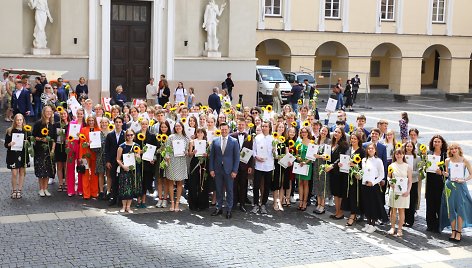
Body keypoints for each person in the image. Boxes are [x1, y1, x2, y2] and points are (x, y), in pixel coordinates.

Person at [440, 143, 472, 242]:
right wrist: (444, 173)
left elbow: (471, 174)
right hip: (450, 186)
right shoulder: (447, 160)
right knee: (451, 210)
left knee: (460, 209)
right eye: (452, 149)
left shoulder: (464, 160)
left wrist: (464, 180)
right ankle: (453, 231)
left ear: (459, 149)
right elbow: (447, 174)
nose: (454, 150)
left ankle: (459, 232)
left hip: (460, 187)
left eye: (455, 148)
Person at [209, 123, 239, 219]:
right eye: (222, 129)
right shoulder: (215, 141)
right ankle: (219, 208)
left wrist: (235, 170)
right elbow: (212, 156)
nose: (224, 131)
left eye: (225, 129)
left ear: (229, 129)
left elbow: (237, 157)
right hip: (218, 170)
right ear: (220, 130)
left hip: (229, 170)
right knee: (218, 190)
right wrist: (211, 169)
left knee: (229, 190)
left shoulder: (234, 141)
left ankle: (229, 209)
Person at [387, 149, 412, 237]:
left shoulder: (407, 167)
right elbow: (388, 177)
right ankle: (392, 227)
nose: (399, 156)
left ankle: (400, 228)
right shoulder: (391, 165)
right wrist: (390, 182)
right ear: (394, 155)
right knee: (393, 210)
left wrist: (408, 191)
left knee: (401, 210)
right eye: (397, 154)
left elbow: (410, 181)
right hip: (394, 191)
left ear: (403, 155)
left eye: (400, 154)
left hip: (403, 192)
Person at [325, 127, 349, 219]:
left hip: (339, 172)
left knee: (339, 193)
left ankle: (340, 212)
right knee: (335, 192)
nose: (336, 133)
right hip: (332, 172)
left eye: (338, 132)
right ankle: (337, 211)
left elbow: (341, 158)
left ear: (342, 134)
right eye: (335, 131)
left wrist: (332, 166)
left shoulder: (344, 145)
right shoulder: (332, 143)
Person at [164, 122, 189, 212]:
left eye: (179, 126)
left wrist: (186, 152)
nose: (178, 127)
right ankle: (172, 202)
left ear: (182, 127)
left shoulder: (186, 139)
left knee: (179, 183)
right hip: (172, 160)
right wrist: (166, 156)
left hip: (181, 161)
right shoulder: (171, 137)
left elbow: (187, 151)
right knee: (170, 181)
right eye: (176, 126)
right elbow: (167, 148)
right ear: (174, 128)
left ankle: (177, 202)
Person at [342, 133, 366, 226]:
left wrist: (355, 165)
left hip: (356, 178)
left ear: (359, 140)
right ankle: (352, 212)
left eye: (355, 139)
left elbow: (363, 165)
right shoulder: (348, 149)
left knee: (354, 196)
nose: (353, 140)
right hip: (347, 176)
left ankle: (353, 215)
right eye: (352, 138)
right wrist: (341, 164)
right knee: (349, 195)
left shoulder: (362, 151)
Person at [426, 135, 448, 233]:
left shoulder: (445, 155)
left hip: (440, 181)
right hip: (430, 181)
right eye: (435, 141)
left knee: (439, 203)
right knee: (430, 203)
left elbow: (448, 172)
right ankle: (430, 224)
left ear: (442, 143)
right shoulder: (428, 153)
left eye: (438, 141)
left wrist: (442, 173)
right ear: (432, 143)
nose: (436, 143)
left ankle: (438, 225)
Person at [230, 119, 253, 212]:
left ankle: (242, 204)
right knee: (234, 185)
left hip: (244, 165)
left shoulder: (249, 137)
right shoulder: (232, 136)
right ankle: (234, 203)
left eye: (242, 124)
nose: (240, 126)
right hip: (234, 165)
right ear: (236, 125)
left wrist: (250, 166)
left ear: (245, 125)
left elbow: (251, 152)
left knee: (244, 185)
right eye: (239, 124)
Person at [361, 143, 385, 234]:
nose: (370, 150)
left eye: (372, 148)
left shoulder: (378, 161)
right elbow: (363, 172)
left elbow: (381, 175)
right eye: (369, 148)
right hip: (365, 185)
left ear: (375, 150)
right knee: (366, 204)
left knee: (373, 205)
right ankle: (368, 222)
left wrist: (374, 183)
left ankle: (373, 224)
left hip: (373, 186)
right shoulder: (364, 160)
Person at [116, 129, 142, 213]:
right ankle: (123, 206)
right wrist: (123, 166)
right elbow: (118, 159)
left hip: (134, 170)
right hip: (125, 169)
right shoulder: (121, 146)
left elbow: (139, 160)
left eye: (131, 135)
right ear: (125, 136)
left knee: (131, 188)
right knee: (124, 188)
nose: (130, 136)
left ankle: (128, 206)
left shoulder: (137, 146)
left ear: (134, 135)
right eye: (128, 135)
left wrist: (138, 156)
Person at [252, 121, 275, 214]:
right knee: (256, 185)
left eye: (266, 126)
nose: (264, 128)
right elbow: (254, 151)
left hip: (269, 166)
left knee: (266, 186)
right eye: (263, 126)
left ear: (269, 128)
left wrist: (274, 151)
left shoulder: (273, 139)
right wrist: (256, 157)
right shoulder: (257, 138)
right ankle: (256, 204)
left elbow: (275, 153)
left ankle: (263, 204)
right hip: (258, 166)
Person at [4, 114, 30, 199]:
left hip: (23, 154)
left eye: (20, 120)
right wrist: (9, 144)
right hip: (13, 154)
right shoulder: (10, 131)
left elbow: (30, 143)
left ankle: (19, 190)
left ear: (23, 120)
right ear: (14, 121)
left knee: (22, 172)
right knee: (14, 173)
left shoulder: (26, 131)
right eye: (17, 120)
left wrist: (27, 142)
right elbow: (5, 144)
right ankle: (14, 190)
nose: (19, 121)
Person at [33, 106, 56, 197]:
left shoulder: (52, 124)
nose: (49, 113)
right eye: (47, 111)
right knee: (41, 170)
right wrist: (41, 139)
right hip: (40, 150)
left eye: (50, 112)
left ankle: (46, 188)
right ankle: (41, 189)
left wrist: (53, 150)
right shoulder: (38, 123)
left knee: (47, 170)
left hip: (49, 150)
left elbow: (54, 138)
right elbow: (33, 136)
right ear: (43, 112)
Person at [135, 118, 157, 208]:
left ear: (148, 125)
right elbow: (134, 146)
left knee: (145, 181)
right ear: (140, 124)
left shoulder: (152, 135)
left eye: (146, 124)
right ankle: (138, 200)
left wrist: (153, 158)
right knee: (139, 180)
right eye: (142, 124)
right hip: (139, 161)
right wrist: (138, 152)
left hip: (148, 162)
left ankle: (143, 200)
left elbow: (155, 148)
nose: (144, 126)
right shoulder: (136, 134)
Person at [188, 128, 210, 211]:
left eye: (202, 133)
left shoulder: (207, 143)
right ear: (196, 133)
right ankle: (193, 204)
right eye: (198, 132)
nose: (200, 134)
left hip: (203, 163)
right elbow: (189, 154)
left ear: (204, 134)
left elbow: (209, 155)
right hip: (194, 163)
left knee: (202, 183)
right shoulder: (192, 142)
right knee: (193, 184)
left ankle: (202, 204)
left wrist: (206, 155)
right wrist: (193, 152)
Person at [105, 116, 125, 205]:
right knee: (114, 179)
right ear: (114, 123)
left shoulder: (125, 134)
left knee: (122, 179)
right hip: (113, 161)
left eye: (119, 122)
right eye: (116, 122)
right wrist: (108, 161)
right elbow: (107, 149)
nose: (118, 123)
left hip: (122, 161)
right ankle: (114, 197)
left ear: (122, 123)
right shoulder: (110, 135)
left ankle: (121, 198)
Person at [79, 115, 100, 200]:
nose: (91, 122)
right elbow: (81, 144)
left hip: (95, 154)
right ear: (87, 121)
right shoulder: (83, 130)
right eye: (89, 120)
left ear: (94, 121)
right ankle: (86, 194)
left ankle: (94, 192)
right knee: (85, 174)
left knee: (95, 174)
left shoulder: (98, 130)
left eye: (92, 120)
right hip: (85, 154)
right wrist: (80, 156)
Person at [65, 108, 85, 196]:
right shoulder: (72, 123)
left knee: (81, 168)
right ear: (76, 114)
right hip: (72, 145)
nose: (80, 115)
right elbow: (68, 136)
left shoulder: (85, 125)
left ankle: (81, 189)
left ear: (83, 114)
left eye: (81, 114)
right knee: (70, 168)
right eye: (78, 114)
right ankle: (70, 189)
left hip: (82, 147)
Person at [313, 126, 331, 214]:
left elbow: (328, 156)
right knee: (317, 184)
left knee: (323, 184)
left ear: (327, 132)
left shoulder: (329, 142)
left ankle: (322, 205)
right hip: (316, 165)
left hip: (324, 166)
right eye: (322, 130)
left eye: (325, 131)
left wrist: (319, 156)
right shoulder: (316, 140)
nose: (323, 132)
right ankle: (318, 203)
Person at [295, 127, 314, 211]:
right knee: (300, 182)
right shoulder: (298, 141)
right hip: (299, 164)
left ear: (308, 133)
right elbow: (296, 153)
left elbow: (312, 155)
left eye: (305, 132)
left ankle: (305, 202)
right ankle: (300, 201)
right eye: (302, 132)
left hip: (307, 164)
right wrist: (298, 158)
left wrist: (305, 162)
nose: (303, 134)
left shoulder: (311, 142)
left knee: (306, 183)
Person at [404, 141, 420, 227]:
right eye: (407, 146)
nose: (409, 148)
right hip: (404, 182)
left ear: (413, 148)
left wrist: (408, 172)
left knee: (412, 201)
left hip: (413, 181)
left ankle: (410, 220)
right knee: (404, 201)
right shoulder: (402, 157)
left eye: (410, 146)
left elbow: (418, 172)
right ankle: (404, 219)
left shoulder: (417, 158)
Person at [155, 120, 171, 208]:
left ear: (168, 128)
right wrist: (159, 150)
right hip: (159, 160)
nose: (163, 128)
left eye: (165, 127)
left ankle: (165, 199)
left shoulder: (170, 137)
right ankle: (160, 198)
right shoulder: (157, 137)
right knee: (159, 180)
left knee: (166, 180)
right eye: (162, 127)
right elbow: (154, 149)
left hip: (167, 161)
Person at [93, 117, 110, 199]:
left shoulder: (111, 133)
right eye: (102, 122)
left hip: (109, 156)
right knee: (101, 174)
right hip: (100, 155)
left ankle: (109, 191)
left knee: (109, 174)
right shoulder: (97, 133)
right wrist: (92, 144)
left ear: (108, 123)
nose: (104, 124)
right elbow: (94, 148)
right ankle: (101, 191)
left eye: (105, 122)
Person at [54, 107, 69, 192]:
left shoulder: (70, 124)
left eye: (64, 114)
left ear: (67, 115)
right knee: (59, 165)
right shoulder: (56, 124)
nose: (63, 115)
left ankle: (66, 183)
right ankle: (60, 183)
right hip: (58, 146)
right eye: (62, 114)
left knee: (66, 166)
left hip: (66, 147)